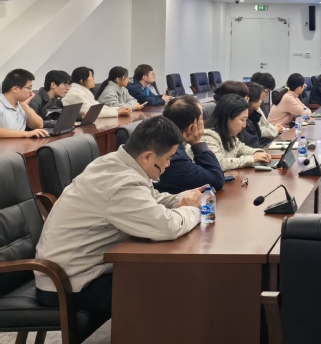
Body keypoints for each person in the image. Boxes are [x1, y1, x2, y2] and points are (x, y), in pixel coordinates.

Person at [35, 116, 203, 331]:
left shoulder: (115, 162)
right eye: (168, 159)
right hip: (68, 283)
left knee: (167, 275)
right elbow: (167, 227)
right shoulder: (120, 183)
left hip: (82, 270)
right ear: (148, 156)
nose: (168, 165)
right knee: (167, 286)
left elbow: (149, 200)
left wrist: (182, 199)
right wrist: (193, 210)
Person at [157, 96, 225, 194]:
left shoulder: (164, 140)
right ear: (191, 128)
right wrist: (197, 143)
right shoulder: (173, 159)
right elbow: (216, 180)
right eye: (201, 120)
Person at [201, 94, 272, 170]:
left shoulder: (229, 133)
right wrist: (252, 158)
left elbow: (241, 149)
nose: (244, 125)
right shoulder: (207, 136)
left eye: (246, 120)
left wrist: (258, 153)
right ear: (228, 118)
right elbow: (220, 164)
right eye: (242, 119)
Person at [63, 67, 130, 119]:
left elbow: (97, 107)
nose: (94, 79)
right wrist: (117, 112)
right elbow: (91, 112)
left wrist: (118, 109)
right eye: (91, 76)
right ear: (81, 80)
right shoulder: (75, 93)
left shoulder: (82, 91)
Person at [0, 68, 47, 138]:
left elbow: (39, 125)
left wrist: (25, 106)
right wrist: (26, 134)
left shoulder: (20, 105)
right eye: (29, 88)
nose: (31, 92)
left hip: (19, 144)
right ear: (15, 89)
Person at [242, 82, 284, 147]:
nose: (261, 101)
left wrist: (274, 129)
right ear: (249, 99)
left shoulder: (255, 112)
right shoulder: (247, 117)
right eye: (259, 98)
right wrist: (275, 130)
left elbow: (265, 124)